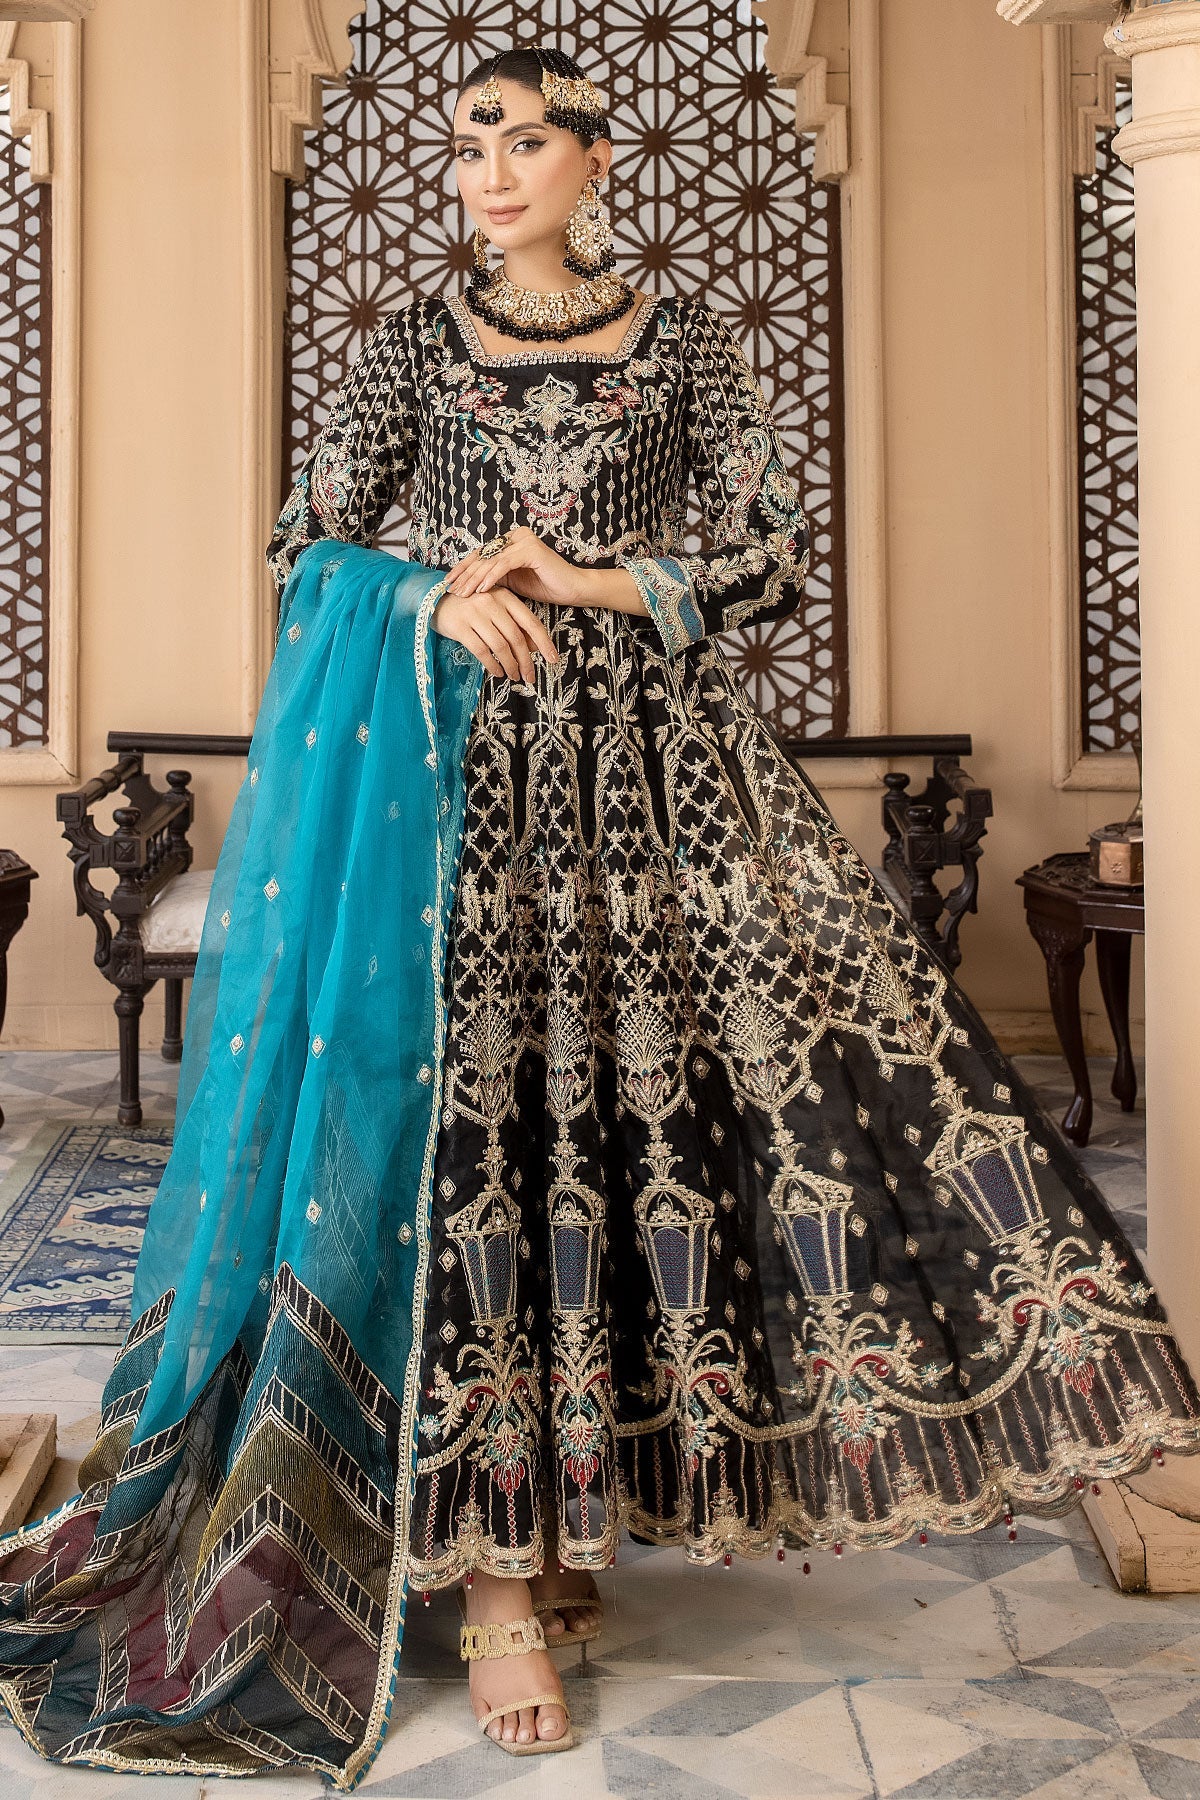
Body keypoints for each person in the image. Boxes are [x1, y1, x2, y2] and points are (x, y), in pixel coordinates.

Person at [0, 40, 1196, 1787]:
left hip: (663, 781)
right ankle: (497, 1576)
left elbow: (771, 543)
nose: (488, 174)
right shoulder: (414, 342)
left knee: (659, 1126)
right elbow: (306, 537)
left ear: (596, 157)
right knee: (489, 1139)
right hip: (456, 783)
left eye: (524, 140)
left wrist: (589, 578)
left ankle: (584, 1511)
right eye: (466, 144)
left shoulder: (687, 333)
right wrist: (430, 597)